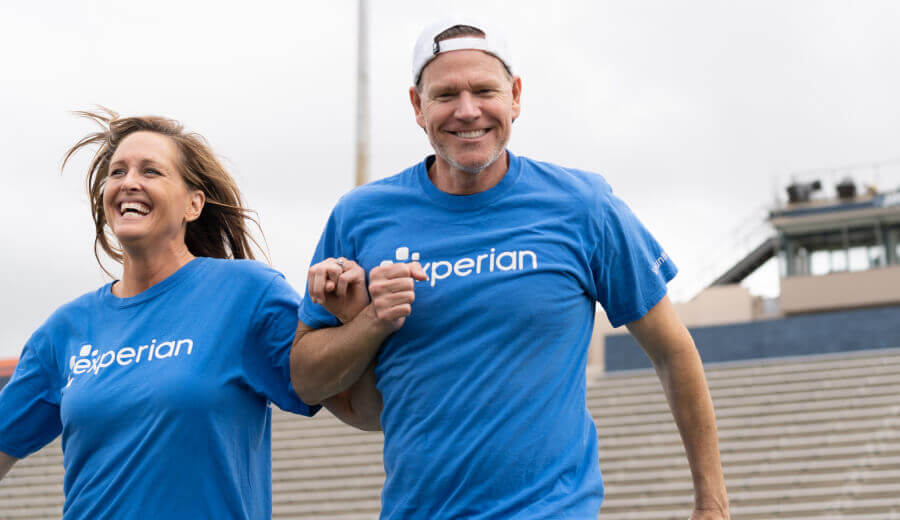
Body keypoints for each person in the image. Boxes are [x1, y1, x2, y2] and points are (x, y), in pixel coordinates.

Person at [291, 17, 731, 520]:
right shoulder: (360, 217)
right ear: (417, 106)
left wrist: (712, 504)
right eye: (445, 95)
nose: (467, 111)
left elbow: (672, 351)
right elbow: (307, 382)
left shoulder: (583, 206)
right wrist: (367, 322)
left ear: (515, 96)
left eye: (485, 90)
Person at [0, 110, 373, 519]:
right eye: (118, 171)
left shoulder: (247, 295)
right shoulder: (64, 330)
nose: (129, 182)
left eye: (151, 171)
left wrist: (363, 321)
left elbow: (356, 405)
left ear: (193, 204)